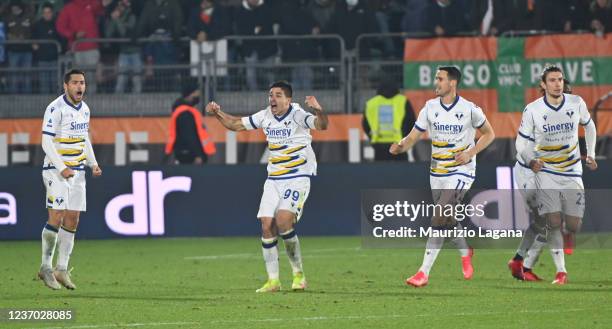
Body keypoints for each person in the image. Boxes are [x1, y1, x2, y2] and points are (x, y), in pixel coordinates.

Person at [206, 80, 329, 292]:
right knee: (266, 224)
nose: (273, 98)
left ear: (288, 99)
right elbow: (236, 124)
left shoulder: (297, 115)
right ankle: (273, 281)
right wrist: (218, 113)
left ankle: (298, 275)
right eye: (271, 94)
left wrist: (319, 111)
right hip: (273, 179)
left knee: (283, 221)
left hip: (298, 176)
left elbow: (321, 125)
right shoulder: (265, 116)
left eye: (278, 95)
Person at [389, 66, 495, 287]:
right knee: (446, 218)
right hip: (437, 170)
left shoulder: (470, 109)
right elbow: (413, 136)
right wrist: (401, 146)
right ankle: (465, 250)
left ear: (452, 83)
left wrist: (470, 153)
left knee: (439, 215)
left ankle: (423, 273)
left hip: (462, 170)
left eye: (439, 79)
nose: (435, 83)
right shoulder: (430, 107)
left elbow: (489, 134)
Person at [514, 65, 597, 285]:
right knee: (551, 220)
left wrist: (591, 153)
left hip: (571, 169)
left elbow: (590, 127)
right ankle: (561, 272)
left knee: (573, 224)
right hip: (546, 170)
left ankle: (524, 262)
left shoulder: (576, 103)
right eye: (552, 80)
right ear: (543, 84)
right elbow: (520, 142)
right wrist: (532, 161)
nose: (557, 83)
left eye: (560, 79)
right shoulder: (532, 110)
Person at [38, 69, 102, 290]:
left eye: (82, 82)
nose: (79, 87)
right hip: (56, 171)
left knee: (73, 219)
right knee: (56, 215)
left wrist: (93, 163)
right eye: (75, 82)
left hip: (78, 172)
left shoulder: (85, 109)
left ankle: (61, 269)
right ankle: (45, 267)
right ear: (66, 86)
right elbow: (46, 143)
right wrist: (62, 167)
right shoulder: (55, 108)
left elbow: (84, 138)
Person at [507, 78, 574, 282]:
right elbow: (525, 147)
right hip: (527, 172)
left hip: (544, 173)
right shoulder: (536, 115)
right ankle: (559, 271)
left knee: (541, 222)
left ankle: (520, 263)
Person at [363, 78, 415, 161]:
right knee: (402, 172)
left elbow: (365, 125)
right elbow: (411, 123)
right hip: (399, 146)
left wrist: (372, 137)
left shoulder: (371, 103)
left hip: (379, 148)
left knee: (381, 172)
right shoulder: (403, 101)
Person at [165, 80, 216, 164]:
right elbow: (189, 136)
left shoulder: (186, 110)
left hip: (187, 154)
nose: (198, 95)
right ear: (189, 94)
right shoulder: (185, 113)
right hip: (189, 156)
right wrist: (197, 155)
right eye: (196, 93)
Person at [105, 0, 142, 93]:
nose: (119, 8)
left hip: (135, 52)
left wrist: (117, 20)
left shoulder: (132, 16)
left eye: (121, 6)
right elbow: (108, 33)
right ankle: (117, 101)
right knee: (121, 78)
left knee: (136, 79)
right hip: (123, 52)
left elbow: (125, 33)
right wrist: (113, 19)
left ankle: (139, 99)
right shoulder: (118, 17)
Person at [32, 2, 61, 94]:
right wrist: (34, 45)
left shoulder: (57, 24)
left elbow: (61, 39)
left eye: (48, 12)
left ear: (52, 13)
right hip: (42, 58)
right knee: (44, 84)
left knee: (54, 83)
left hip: (54, 58)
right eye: (45, 12)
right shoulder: (37, 25)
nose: (47, 14)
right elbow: (33, 38)